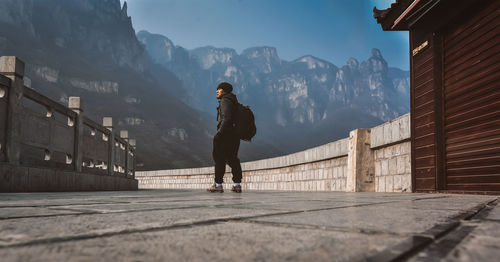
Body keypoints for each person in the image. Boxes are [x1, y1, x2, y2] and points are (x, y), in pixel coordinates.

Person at [207, 82, 242, 193]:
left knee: (219, 159)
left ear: (225, 91)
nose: (217, 91)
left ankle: (218, 185)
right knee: (233, 159)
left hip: (225, 135)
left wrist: (219, 134)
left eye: (219, 89)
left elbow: (226, 118)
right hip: (235, 135)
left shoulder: (225, 101)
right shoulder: (233, 101)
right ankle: (237, 185)